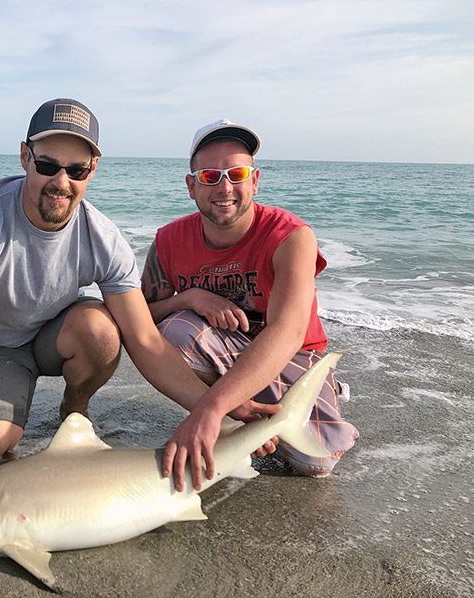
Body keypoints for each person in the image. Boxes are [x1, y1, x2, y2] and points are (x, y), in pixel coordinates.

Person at [0, 100, 280, 512]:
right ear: (24, 156)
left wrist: (221, 411)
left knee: (104, 331)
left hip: (55, 337)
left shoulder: (103, 237)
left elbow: (145, 340)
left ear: (93, 169)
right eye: (48, 165)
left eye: (77, 170)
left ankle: (75, 408)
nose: (61, 182)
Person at [141, 119, 359, 479]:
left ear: (254, 181)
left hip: (290, 355)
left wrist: (210, 408)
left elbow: (287, 332)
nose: (224, 187)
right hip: (221, 348)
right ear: (191, 187)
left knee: (315, 462)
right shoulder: (168, 240)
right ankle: (231, 414)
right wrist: (190, 298)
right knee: (174, 330)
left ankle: (324, 389)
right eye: (210, 177)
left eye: (236, 174)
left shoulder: (290, 236)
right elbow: (141, 316)